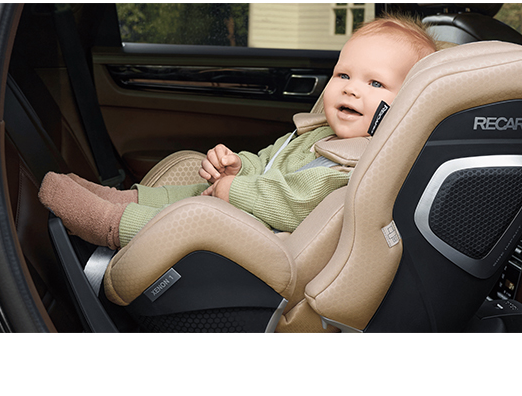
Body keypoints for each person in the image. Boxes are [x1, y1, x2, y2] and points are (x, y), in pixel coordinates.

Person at [38, 13, 436, 249]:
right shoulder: (319, 134)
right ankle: (124, 199)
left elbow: (297, 202)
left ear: (408, 103)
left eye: (375, 83)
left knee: (196, 217)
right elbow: (267, 162)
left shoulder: (362, 163)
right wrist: (238, 169)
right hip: (252, 213)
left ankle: (111, 223)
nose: (350, 89)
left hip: (267, 242)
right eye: (343, 75)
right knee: (196, 190)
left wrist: (233, 191)